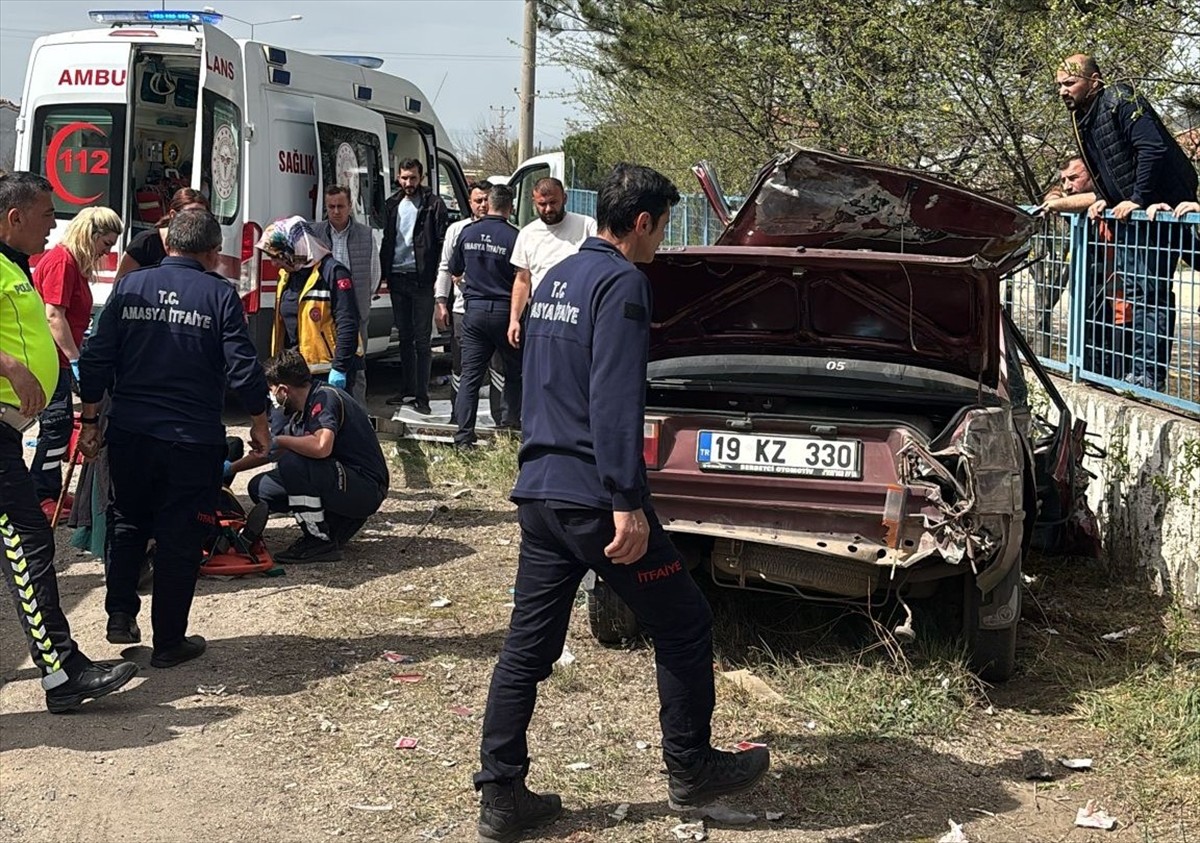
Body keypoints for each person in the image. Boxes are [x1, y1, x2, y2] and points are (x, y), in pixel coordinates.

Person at [473, 164, 769, 842]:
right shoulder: (624, 284)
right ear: (642, 223)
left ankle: (500, 794)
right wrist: (626, 501)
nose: (662, 243)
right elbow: (612, 399)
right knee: (686, 619)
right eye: (663, 228)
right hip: (593, 497)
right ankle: (691, 768)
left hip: (540, 490)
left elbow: (543, 383)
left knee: (527, 646)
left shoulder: (556, 279)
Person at [77, 209, 270, 667]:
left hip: (130, 431)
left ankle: (120, 611)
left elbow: (98, 355)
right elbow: (243, 366)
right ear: (211, 252)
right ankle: (169, 642)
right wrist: (260, 421)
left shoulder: (128, 286)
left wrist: (89, 420)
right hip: (191, 438)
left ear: (167, 246)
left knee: (126, 518)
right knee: (180, 534)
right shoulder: (219, 295)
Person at [0, 171, 138, 712]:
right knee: (30, 544)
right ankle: (62, 672)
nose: (53, 227)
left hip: (9, 433)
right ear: (14, 217)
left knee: (28, 545)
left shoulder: (18, 264)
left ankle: (63, 671)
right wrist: (11, 364)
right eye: (44, 215)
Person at [1055, 53, 1199, 389]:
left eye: (1070, 83)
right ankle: (1142, 373)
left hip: (1164, 211)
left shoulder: (1120, 99)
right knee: (1139, 292)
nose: (1063, 91)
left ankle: (1148, 375)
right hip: (1136, 216)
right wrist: (1108, 197)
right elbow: (1105, 166)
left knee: (1150, 294)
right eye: (1059, 85)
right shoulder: (1083, 118)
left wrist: (1137, 199)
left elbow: (1152, 149)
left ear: (1095, 80)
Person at [231, 349, 389, 564]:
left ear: (283, 389)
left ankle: (318, 541)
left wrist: (279, 441)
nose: (271, 397)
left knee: (292, 463)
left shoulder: (325, 398)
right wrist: (229, 469)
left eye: (271, 390)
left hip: (366, 486)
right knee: (263, 487)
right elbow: (270, 450)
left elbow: (321, 446)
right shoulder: (299, 412)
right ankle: (336, 525)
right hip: (343, 481)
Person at [30, 206, 123, 519]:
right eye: (106, 243)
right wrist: (74, 358)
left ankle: (49, 489)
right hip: (51, 356)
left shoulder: (71, 263)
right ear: (91, 235)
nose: (107, 251)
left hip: (59, 355)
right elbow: (53, 314)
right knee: (55, 426)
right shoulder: (61, 262)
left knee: (59, 426)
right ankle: (40, 491)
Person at [449, 184, 523, 448]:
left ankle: (463, 436)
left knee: (470, 375)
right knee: (513, 372)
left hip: (475, 312)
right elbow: (523, 277)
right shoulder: (515, 236)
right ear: (510, 208)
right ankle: (510, 426)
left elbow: (455, 267)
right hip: (505, 313)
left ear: (488, 204)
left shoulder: (468, 232)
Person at [257, 216, 362, 393]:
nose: (273, 263)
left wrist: (340, 367)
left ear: (292, 249)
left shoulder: (333, 273)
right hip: (294, 370)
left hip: (326, 371)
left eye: (277, 257)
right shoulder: (286, 276)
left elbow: (348, 323)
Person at [380, 158, 448, 413]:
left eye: (413, 178)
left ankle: (422, 397)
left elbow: (440, 242)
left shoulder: (433, 204)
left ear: (421, 178)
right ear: (398, 177)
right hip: (397, 277)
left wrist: (438, 277)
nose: (409, 183)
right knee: (404, 339)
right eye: (405, 178)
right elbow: (389, 239)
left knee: (422, 340)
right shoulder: (392, 204)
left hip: (422, 280)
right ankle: (407, 390)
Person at [436, 180, 507, 426]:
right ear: (469, 203)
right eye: (478, 201)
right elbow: (446, 267)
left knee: (498, 367)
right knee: (462, 367)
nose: (483, 205)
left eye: (487, 200)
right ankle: (459, 418)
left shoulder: (506, 231)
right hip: (461, 311)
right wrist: (441, 302)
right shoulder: (458, 230)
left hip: (496, 310)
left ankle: (501, 419)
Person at [507, 177, 597, 350]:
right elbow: (522, 281)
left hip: (577, 316)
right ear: (534, 202)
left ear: (565, 198)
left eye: (553, 202)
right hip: (541, 318)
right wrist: (514, 319)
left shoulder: (586, 226)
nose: (548, 209)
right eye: (542, 204)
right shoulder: (527, 234)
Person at [313, 185, 381, 407]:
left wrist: (359, 302)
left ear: (350, 206)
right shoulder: (315, 234)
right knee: (323, 367)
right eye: (331, 206)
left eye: (340, 206)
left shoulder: (366, 235)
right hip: (322, 313)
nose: (336, 211)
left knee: (357, 370)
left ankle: (357, 417)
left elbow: (374, 273)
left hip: (355, 313)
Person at [114, 187, 209, 279]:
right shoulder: (146, 241)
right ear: (173, 215)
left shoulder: (203, 246)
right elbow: (121, 282)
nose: (197, 220)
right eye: (191, 214)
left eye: (202, 215)